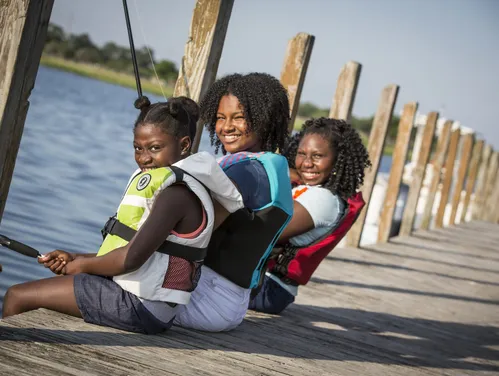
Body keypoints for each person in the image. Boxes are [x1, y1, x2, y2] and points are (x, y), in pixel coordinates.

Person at [2, 97, 242, 334]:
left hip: (140, 306)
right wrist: (75, 257)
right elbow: (140, 250)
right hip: (148, 305)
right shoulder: (177, 188)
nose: (144, 157)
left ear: (185, 145)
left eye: (155, 148)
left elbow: (130, 260)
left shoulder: (176, 195)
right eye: (138, 148)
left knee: (17, 295)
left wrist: (78, 267)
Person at [174, 72, 294, 332]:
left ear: (264, 118)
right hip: (226, 302)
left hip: (205, 299)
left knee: (87, 285)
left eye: (238, 117)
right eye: (220, 117)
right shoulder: (267, 166)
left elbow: (193, 232)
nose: (226, 127)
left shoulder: (246, 172)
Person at [249, 117, 371, 314]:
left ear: (337, 160)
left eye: (317, 156)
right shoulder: (309, 189)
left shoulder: (324, 200)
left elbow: (262, 231)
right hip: (262, 281)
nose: (307, 163)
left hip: (268, 288)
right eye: (301, 154)